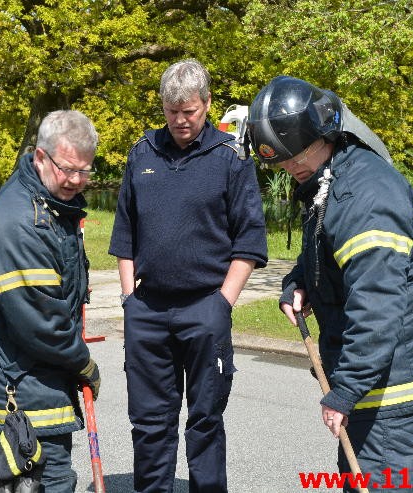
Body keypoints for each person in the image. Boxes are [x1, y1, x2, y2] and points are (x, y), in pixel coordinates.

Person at [246, 76, 413, 492]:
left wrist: (346, 389)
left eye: (295, 156)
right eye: (280, 162)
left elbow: (376, 307)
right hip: (373, 381)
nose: (289, 168)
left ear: (324, 133)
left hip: (393, 386)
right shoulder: (329, 177)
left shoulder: (367, 198)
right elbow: (325, 249)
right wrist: (300, 281)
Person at [109, 59, 268, 493]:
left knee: (204, 421)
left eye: (190, 112)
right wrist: (129, 301)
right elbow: (124, 235)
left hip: (205, 308)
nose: (180, 121)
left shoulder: (231, 158)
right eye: (172, 111)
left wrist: (222, 304)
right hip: (148, 309)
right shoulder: (143, 152)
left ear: (207, 105)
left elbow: (250, 242)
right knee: (149, 423)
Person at [0, 110, 102, 492]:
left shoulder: (48, 200)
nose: (75, 180)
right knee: (49, 481)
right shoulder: (20, 223)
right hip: (14, 379)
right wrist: (84, 365)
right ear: (40, 157)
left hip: (29, 368)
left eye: (84, 171)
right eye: (67, 168)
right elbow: (41, 323)